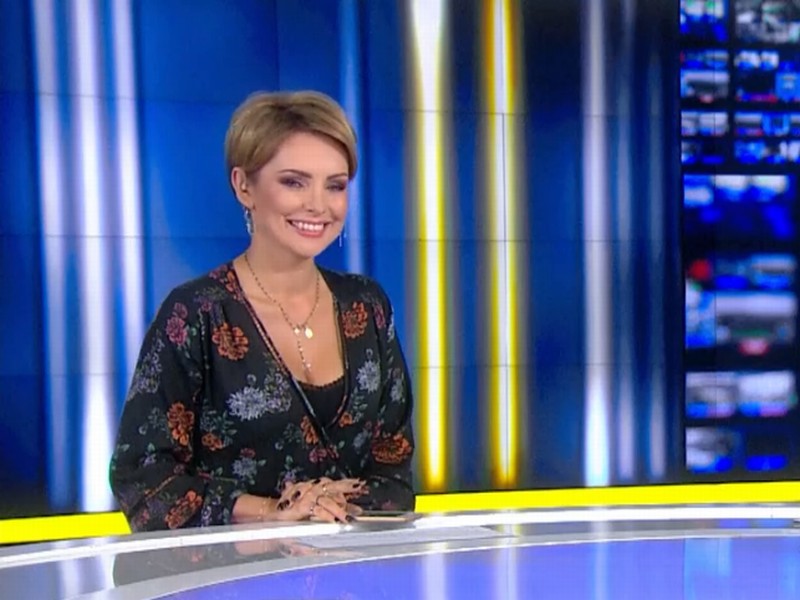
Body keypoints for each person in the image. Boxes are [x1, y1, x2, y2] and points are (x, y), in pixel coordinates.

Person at [109, 91, 415, 531]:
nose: (319, 204)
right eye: (294, 182)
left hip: (350, 564)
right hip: (230, 568)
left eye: (335, 185)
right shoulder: (196, 314)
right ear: (244, 186)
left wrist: (328, 506)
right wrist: (272, 512)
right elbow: (144, 481)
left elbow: (394, 472)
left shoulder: (368, 307)